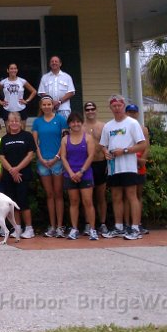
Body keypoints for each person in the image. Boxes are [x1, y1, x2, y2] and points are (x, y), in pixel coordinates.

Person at [100, 95, 148, 241]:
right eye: (114, 106)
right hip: (114, 167)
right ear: (110, 108)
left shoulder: (132, 123)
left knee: (131, 196)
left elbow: (142, 144)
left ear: (123, 106)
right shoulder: (108, 126)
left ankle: (134, 228)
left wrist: (125, 151)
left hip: (129, 165)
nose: (117, 108)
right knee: (116, 197)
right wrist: (105, 152)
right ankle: (119, 227)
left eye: (119, 105)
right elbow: (103, 144)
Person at [32, 96, 68, 238]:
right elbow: (35, 143)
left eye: (49, 104)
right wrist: (40, 158)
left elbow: (64, 140)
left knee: (58, 194)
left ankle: (60, 226)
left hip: (57, 160)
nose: (47, 106)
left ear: (53, 105)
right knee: (50, 195)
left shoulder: (60, 120)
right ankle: (52, 226)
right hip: (43, 161)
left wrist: (57, 157)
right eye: (44, 104)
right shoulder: (37, 122)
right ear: (41, 106)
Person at [0, 112, 37, 239]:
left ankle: (29, 229)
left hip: (23, 175)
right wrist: (11, 170)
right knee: (12, 204)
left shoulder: (27, 136)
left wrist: (17, 169)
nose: (14, 123)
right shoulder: (4, 139)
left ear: (20, 123)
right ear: (8, 123)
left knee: (23, 202)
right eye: (11, 121)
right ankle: (17, 228)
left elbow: (31, 154)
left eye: (16, 121)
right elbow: (1, 157)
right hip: (9, 176)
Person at [59, 112, 97, 241]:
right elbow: (63, 157)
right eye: (73, 122)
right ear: (69, 124)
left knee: (88, 202)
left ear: (81, 123)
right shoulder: (65, 139)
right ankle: (74, 229)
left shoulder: (88, 138)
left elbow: (91, 156)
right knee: (74, 202)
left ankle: (92, 229)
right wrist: (70, 173)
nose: (75, 124)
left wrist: (81, 172)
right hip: (70, 174)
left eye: (78, 122)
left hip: (85, 174)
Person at [83, 101, 109, 236]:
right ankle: (88, 223)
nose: (90, 111)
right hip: (87, 166)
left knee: (101, 196)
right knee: (88, 198)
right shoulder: (81, 127)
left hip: (100, 164)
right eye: (87, 109)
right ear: (85, 112)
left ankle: (103, 223)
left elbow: (108, 146)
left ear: (96, 110)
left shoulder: (103, 126)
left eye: (92, 108)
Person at [125, 104, 150, 235]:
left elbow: (146, 146)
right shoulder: (123, 127)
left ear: (138, 113)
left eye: (134, 112)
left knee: (137, 195)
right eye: (129, 112)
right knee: (127, 195)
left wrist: (142, 160)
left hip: (139, 165)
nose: (132, 114)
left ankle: (138, 223)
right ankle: (127, 224)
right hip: (127, 163)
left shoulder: (143, 129)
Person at [0, 63, 37, 128]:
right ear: (8, 70)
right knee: (9, 131)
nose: (13, 70)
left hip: (20, 109)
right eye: (11, 68)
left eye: (15, 68)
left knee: (22, 131)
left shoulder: (22, 81)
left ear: (17, 70)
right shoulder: (3, 82)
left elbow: (34, 91)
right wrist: (0, 102)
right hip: (8, 109)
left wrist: (27, 100)